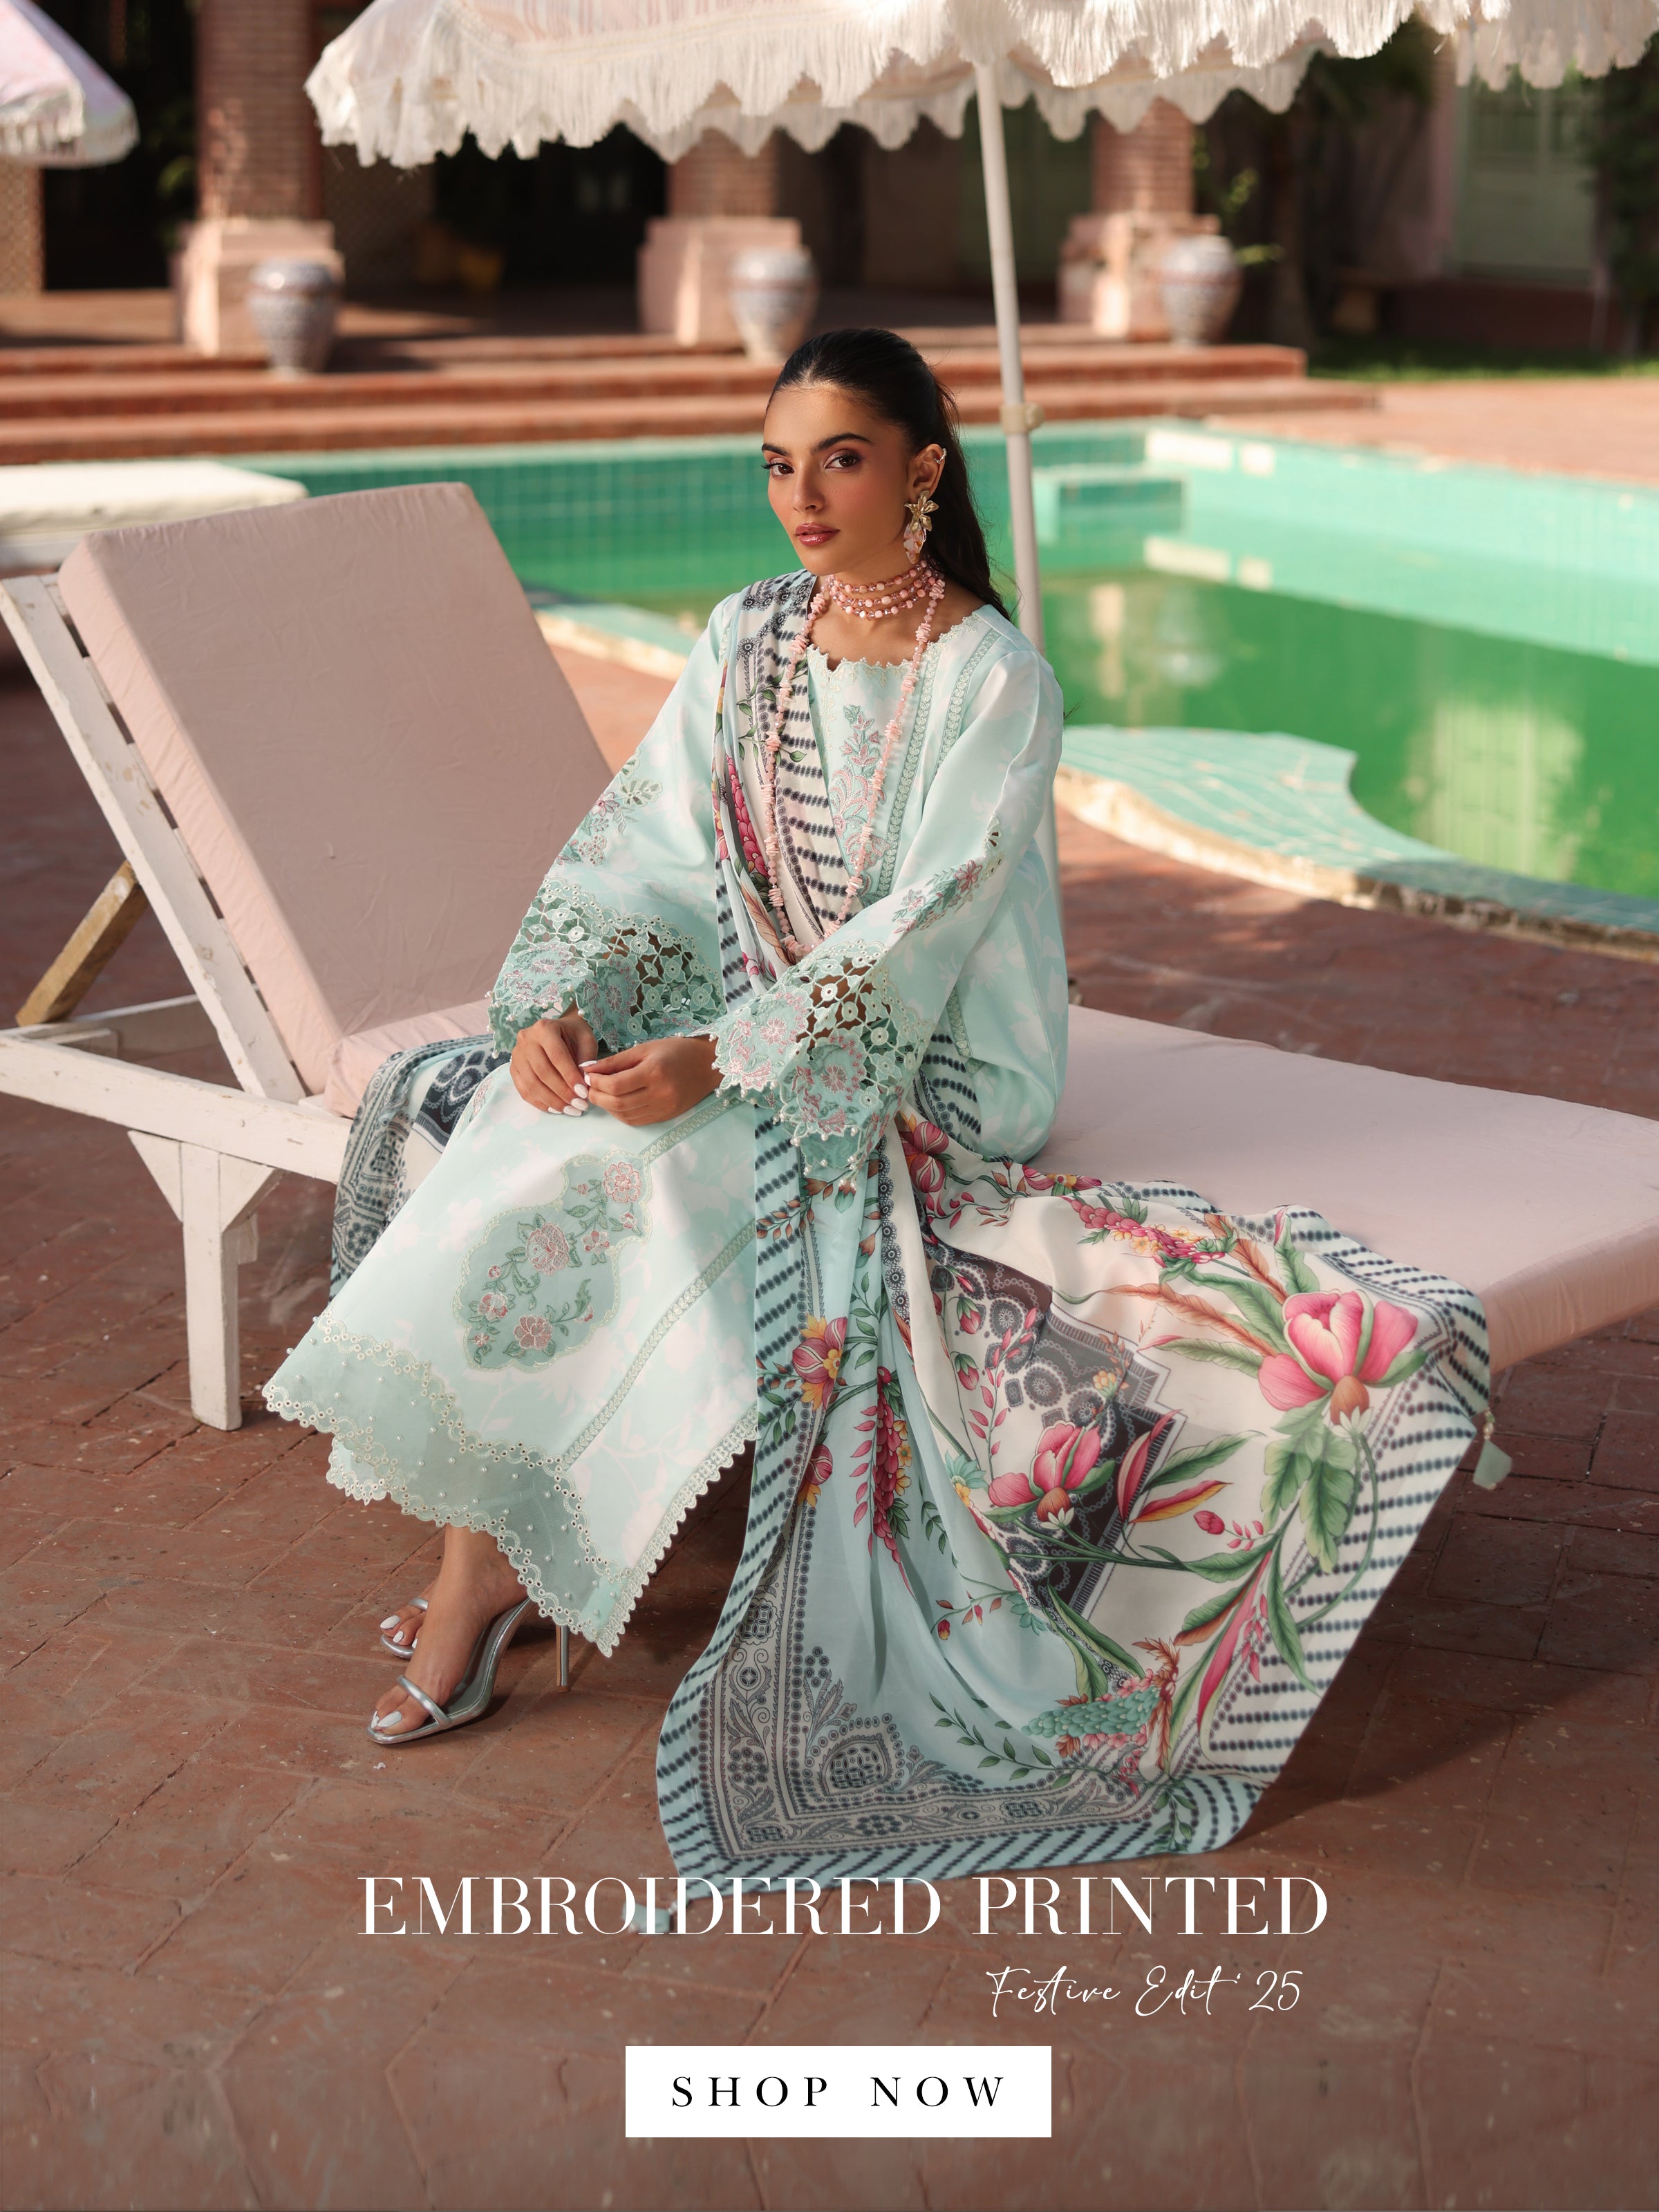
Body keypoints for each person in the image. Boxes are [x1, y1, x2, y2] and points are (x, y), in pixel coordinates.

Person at [265, 328, 1485, 1885]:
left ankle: (477, 1588)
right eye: (779, 464)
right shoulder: (749, 636)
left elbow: (925, 927)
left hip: (931, 1053)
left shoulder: (996, 679)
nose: (803, 497)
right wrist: (565, 1005)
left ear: (922, 471)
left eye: (839, 460)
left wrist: (729, 1056)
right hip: (749, 1010)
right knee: (540, 1125)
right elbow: (648, 843)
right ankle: (491, 1559)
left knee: (654, 1174)